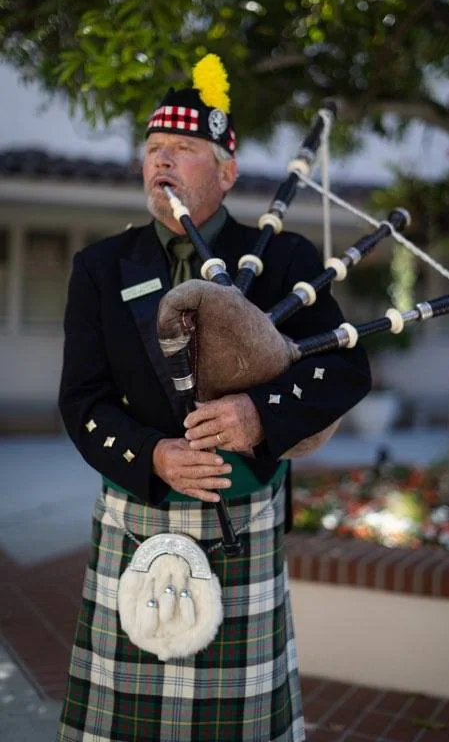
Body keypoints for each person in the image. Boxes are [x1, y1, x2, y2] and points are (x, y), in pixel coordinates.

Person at [57, 54, 371, 742]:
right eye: (152, 150)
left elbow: (348, 370)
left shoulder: (283, 262)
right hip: (137, 510)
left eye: (183, 149)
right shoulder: (102, 267)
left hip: (243, 516)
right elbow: (81, 400)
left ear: (225, 172)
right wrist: (152, 454)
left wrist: (261, 414)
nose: (160, 162)